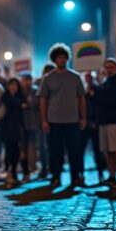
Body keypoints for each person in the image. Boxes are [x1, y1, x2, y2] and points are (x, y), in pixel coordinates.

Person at [39, 43, 86, 188]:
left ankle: (75, 176)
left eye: (64, 57)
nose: (61, 60)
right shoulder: (48, 78)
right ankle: (55, 177)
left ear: (67, 59)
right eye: (59, 58)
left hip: (72, 120)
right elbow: (43, 101)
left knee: (74, 150)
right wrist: (44, 121)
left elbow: (81, 99)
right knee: (55, 151)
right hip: (54, 120)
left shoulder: (75, 77)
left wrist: (83, 117)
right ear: (54, 59)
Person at [89, 59, 116, 186]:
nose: (108, 69)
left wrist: (95, 95)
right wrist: (92, 85)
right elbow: (102, 94)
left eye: (111, 67)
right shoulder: (107, 81)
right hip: (105, 121)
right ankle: (112, 176)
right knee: (108, 151)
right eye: (106, 67)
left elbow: (112, 101)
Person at [82, 72, 106, 184]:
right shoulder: (81, 89)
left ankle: (100, 172)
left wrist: (95, 121)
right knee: (80, 150)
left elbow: (98, 106)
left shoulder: (96, 88)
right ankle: (80, 173)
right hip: (84, 123)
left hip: (94, 123)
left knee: (97, 150)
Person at [1, 78, 25, 187]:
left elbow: (21, 103)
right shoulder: (5, 96)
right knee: (8, 151)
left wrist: (18, 104)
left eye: (15, 85)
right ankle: (9, 173)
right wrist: (19, 104)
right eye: (11, 84)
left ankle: (14, 173)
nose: (13, 87)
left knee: (16, 151)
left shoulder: (20, 95)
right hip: (6, 128)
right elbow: (10, 103)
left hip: (18, 128)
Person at [20, 73, 41, 181]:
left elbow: (36, 103)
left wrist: (27, 104)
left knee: (34, 146)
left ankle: (34, 166)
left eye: (29, 80)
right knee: (23, 147)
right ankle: (26, 170)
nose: (27, 82)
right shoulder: (20, 91)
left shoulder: (36, 90)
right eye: (25, 80)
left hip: (34, 123)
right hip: (22, 124)